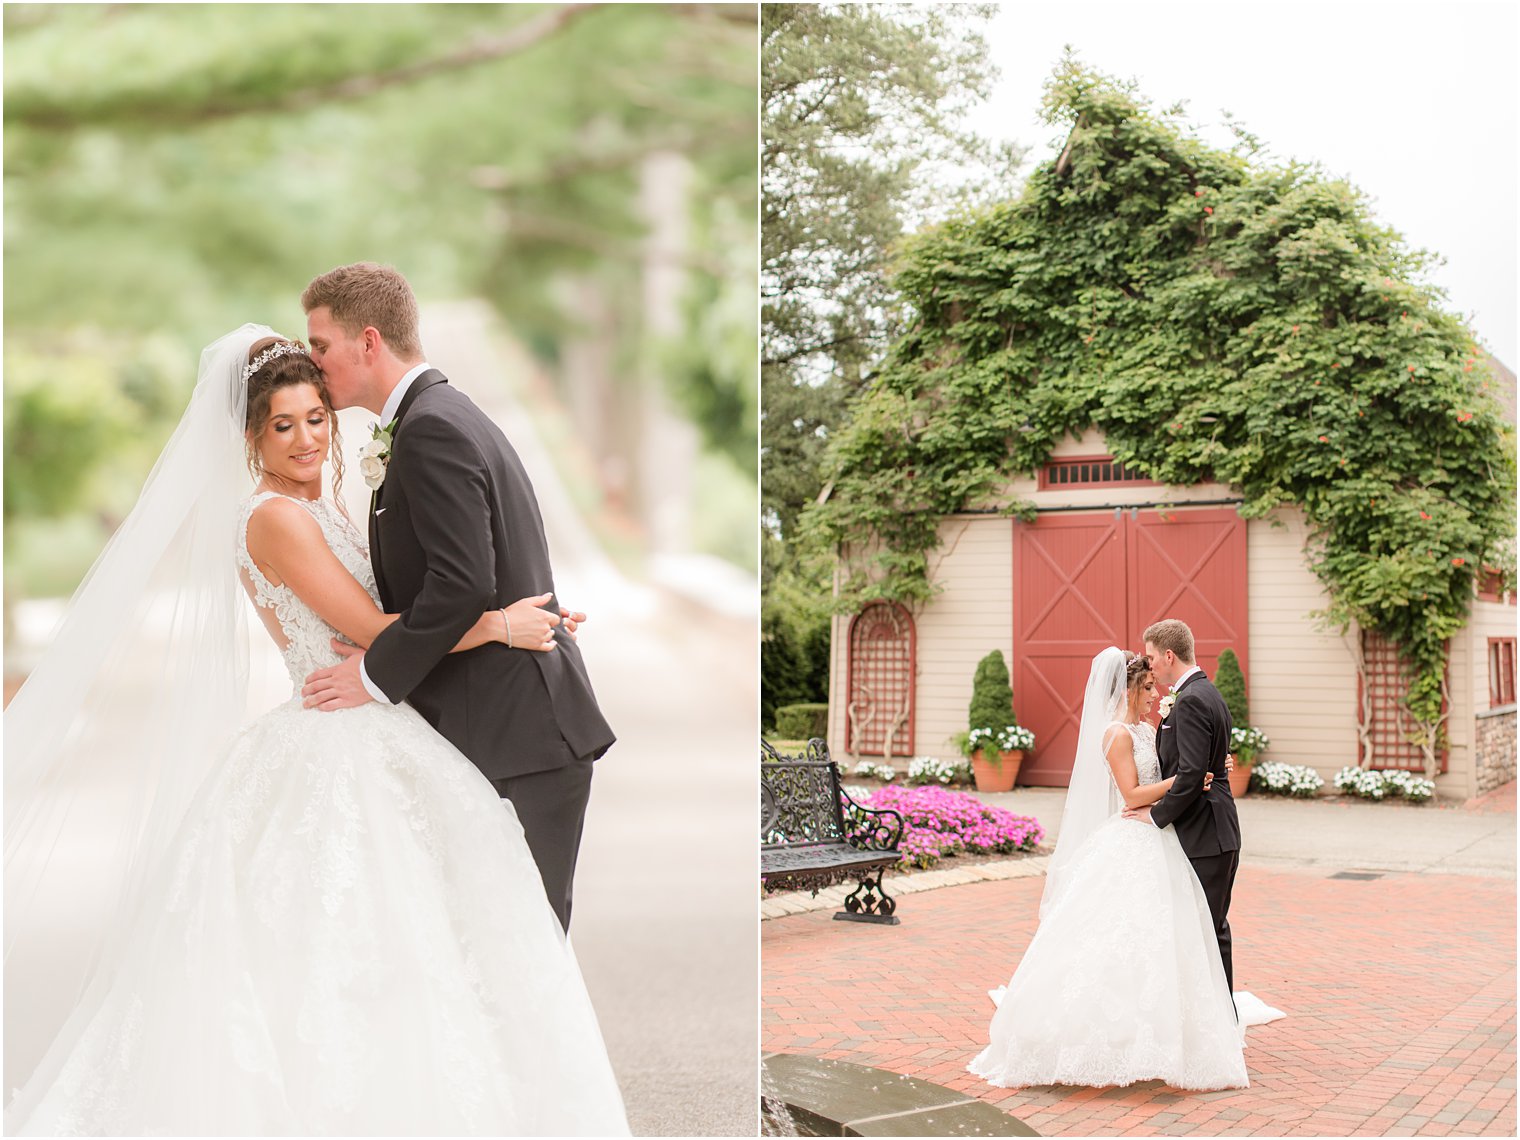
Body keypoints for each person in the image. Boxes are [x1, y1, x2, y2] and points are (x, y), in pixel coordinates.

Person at [4, 326, 629, 1135]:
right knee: (337, 946)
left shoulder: (318, 506)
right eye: (283, 425)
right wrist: (499, 626)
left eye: (316, 419)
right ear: (250, 436)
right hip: (333, 733)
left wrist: (496, 611)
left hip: (374, 723)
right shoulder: (272, 519)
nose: (305, 440)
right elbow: (373, 628)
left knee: (415, 943)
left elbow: (406, 609)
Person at [297, 262, 613, 932]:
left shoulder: (431, 427)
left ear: (370, 342)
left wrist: (373, 675)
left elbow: (463, 582)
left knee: (522, 947)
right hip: (500, 731)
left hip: (521, 738)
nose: (312, 361)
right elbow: (487, 574)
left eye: (321, 346)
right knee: (495, 949)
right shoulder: (438, 415)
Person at [968, 647, 1266, 1091]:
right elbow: (1131, 794)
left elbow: (1179, 758)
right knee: (1117, 935)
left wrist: (1211, 765)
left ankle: (1170, 1029)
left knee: (1164, 935)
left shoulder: (1148, 727)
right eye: (1148, 688)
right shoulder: (1115, 735)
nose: (1155, 695)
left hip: (1160, 840)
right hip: (1134, 835)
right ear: (1129, 688)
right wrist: (1189, 779)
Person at [1124, 618, 1241, 995]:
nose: (1151, 666)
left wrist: (1154, 815)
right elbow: (1199, 762)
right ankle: (1218, 1017)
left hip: (1206, 834)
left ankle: (1222, 1019)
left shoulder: (1190, 700)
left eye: (1153, 657)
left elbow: (1191, 775)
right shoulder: (1207, 692)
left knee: (1208, 929)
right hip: (1212, 829)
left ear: (1169, 655)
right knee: (1208, 928)